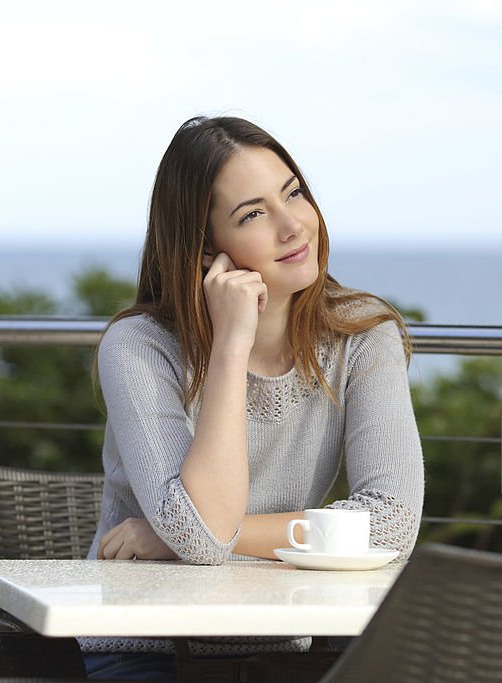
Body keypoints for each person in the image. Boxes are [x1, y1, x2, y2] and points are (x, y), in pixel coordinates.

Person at [80, 116, 425, 680]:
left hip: (288, 647)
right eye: (253, 214)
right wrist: (232, 343)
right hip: (148, 646)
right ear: (203, 249)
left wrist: (191, 538)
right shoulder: (139, 347)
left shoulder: (362, 337)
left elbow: (390, 524)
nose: (294, 226)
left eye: (293, 193)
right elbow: (200, 532)